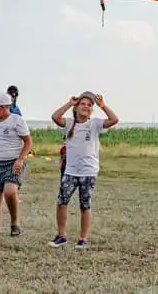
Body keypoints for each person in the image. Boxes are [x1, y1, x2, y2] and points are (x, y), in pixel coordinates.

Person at [48, 91, 119, 249]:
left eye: (89, 105)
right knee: (62, 202)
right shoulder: (68, 123)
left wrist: (103, 106)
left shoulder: (94, 124)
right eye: (82, 104)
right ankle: (61, 236)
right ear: (76, 107)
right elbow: (55, 117)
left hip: (88, 172)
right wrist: (69, 103)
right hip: (71, 171)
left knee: (85, 205)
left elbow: (114, 119)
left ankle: (83, 238)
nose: (86, 107)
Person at [0, 91, 32, 245]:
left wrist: (21, 159)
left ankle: (15, 221)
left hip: (13, 162)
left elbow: (28, 141)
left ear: (3, 107)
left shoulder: (16, 120)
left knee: (10, 192)